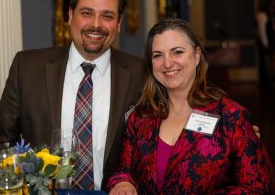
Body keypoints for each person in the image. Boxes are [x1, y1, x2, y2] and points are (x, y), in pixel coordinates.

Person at [0, 0, 144, 190]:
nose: (96, 24)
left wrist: (128, 181)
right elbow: (2, 141)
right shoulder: (27, 67)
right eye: (87, 13)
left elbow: (149, 151)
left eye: (107, 16)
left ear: (118, 23)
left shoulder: (141, 74)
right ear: (70, 16)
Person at [108, 18, 274, 194]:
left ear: (196, 55)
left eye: (177, 52)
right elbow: (123, 170)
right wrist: (122, 182)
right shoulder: (141, 117)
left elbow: (258, 188)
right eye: (157, 55)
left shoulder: (230, 116)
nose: (167, 63)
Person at [256, 0, 274, 87]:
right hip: (265, 43)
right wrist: (265, 43)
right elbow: (262, 31)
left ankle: (267, 81)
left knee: (267, 62)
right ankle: (266, 82)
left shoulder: (264, 15)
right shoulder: (262, 15)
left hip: (267, 42)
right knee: (265, 62)